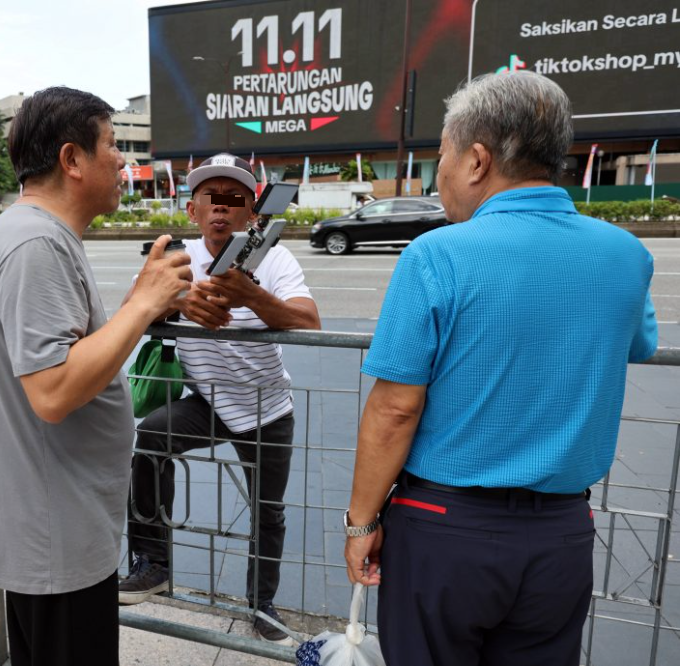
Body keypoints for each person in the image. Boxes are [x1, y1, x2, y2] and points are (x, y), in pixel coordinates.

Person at [344, 71, 658, 666]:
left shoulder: (437, 254)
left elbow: (394, 409)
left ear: (477, 160)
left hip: (443, 528)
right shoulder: (625, 253)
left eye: (442, 157)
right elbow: (637, 344)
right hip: (562, 534)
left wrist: (361, 525)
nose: (440, 176)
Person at [0, 86, 192, 666]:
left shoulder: (27, 234)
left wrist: (142, 297)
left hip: (47, 523)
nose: (122, 161)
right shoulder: (36, 243)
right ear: (72, 159)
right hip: (51, 535)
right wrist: (141, 307)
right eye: (112, 145)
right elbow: (54, 391)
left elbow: (61, 352)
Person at [118, 153, 320, 646]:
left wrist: (251, 296)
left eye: (234, 198)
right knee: (149, 438)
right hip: (206, 403)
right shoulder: (174, 257)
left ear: (252, 210)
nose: (221, 208)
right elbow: (128, 314)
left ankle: (261, 604)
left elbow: (309, 320)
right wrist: (172, 300)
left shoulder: (272, 257)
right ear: (192, 210)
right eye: (211, 197)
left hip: (266, 408)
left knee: (267, 511)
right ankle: (153, 562)